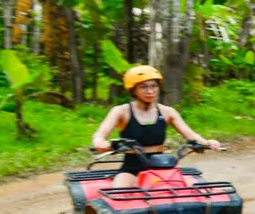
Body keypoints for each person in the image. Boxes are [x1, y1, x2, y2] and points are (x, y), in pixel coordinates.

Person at [92, 65, 221, 187]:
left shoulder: (167, 112)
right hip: (132, 170)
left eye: (154, 86)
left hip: (163, 168)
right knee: (118, 194)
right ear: (133, 90)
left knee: (189, 193)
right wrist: (100, 142)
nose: (150, 91)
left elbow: (190, 135)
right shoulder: (121, 111)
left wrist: (206, 142)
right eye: (143, 87)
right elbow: (100, 134)